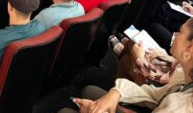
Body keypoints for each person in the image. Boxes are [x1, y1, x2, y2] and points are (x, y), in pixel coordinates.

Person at [59, 18, 193, 113]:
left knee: (65, 110)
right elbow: (156, 95)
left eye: (180, 32)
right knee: (89, 90)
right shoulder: (184, 74)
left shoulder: (181, 107)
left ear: (189, 49)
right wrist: (116, 93)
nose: (175, 35)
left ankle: (121, 50)